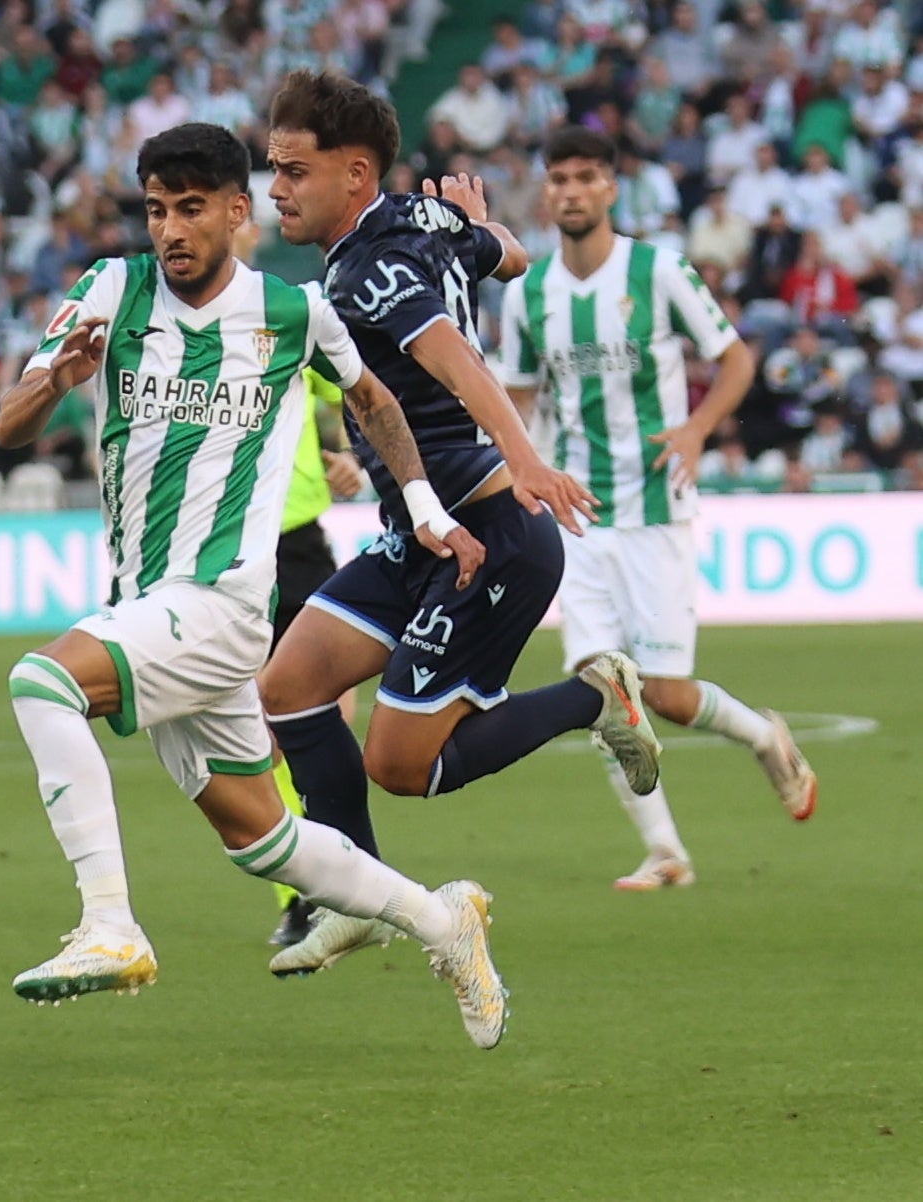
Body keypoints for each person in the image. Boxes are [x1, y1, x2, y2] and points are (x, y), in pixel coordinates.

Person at [0, 122, 508, 1049]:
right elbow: (9, 423)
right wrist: (56, 382)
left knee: (41, 682)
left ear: (237, 211)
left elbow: (374, 401)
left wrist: (425, 508)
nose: (170, 230)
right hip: (145, 601)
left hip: (225, 601)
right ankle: (444, 923)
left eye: (191, 208)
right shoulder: (109, 290)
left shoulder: (292, 311)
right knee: (262, 840)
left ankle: (109, 924)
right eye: (156, 210)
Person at [258, 71, 662, 976]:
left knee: (401, 767)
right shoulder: (416, 221)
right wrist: (471, 231)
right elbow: (510, 255)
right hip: (417, 530)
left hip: (490, 535)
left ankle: (596, 698)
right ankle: (350, 896)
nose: (274, 187)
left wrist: (520, 455)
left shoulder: (368, 267)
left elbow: (449, 357)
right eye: (270, 168)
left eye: (291, 170)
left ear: (353, 173)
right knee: (285, 689)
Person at [497, 127, 818, 889]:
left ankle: (762, 736)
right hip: (575, 521)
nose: (570, 191)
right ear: (546, 194)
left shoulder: (659, 270)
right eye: (558, 179)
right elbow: (513, 398)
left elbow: (735, 356)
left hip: (654, 509)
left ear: (610, 188)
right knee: (598, 690)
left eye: (585, 178)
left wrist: (699, 429)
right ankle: (665, 850)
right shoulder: (525, 296)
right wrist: (520, 469)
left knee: (666, 697)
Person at [230, 218, 369, 947]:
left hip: (302, 544)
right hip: (231, 554)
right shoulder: (176, 325)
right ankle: (303, 892)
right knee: (263, 733)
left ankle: (342, 875)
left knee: (328, 719)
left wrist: (349, 453)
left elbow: (344, 387)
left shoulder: (287, 311)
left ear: (244, 228)